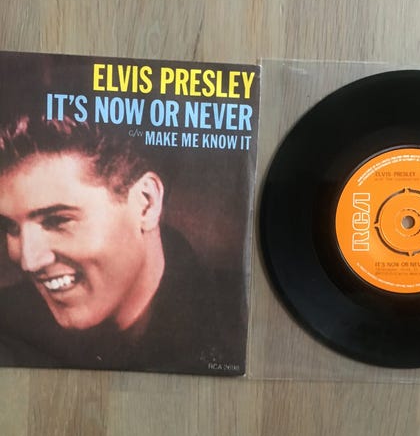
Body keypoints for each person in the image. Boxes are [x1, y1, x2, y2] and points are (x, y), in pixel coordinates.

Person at [0, 115, 245, 374]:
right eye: (11, 227)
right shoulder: (7, 323)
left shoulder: (237, 328)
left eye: (57, 220)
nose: (28, 260)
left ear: (146, 203)